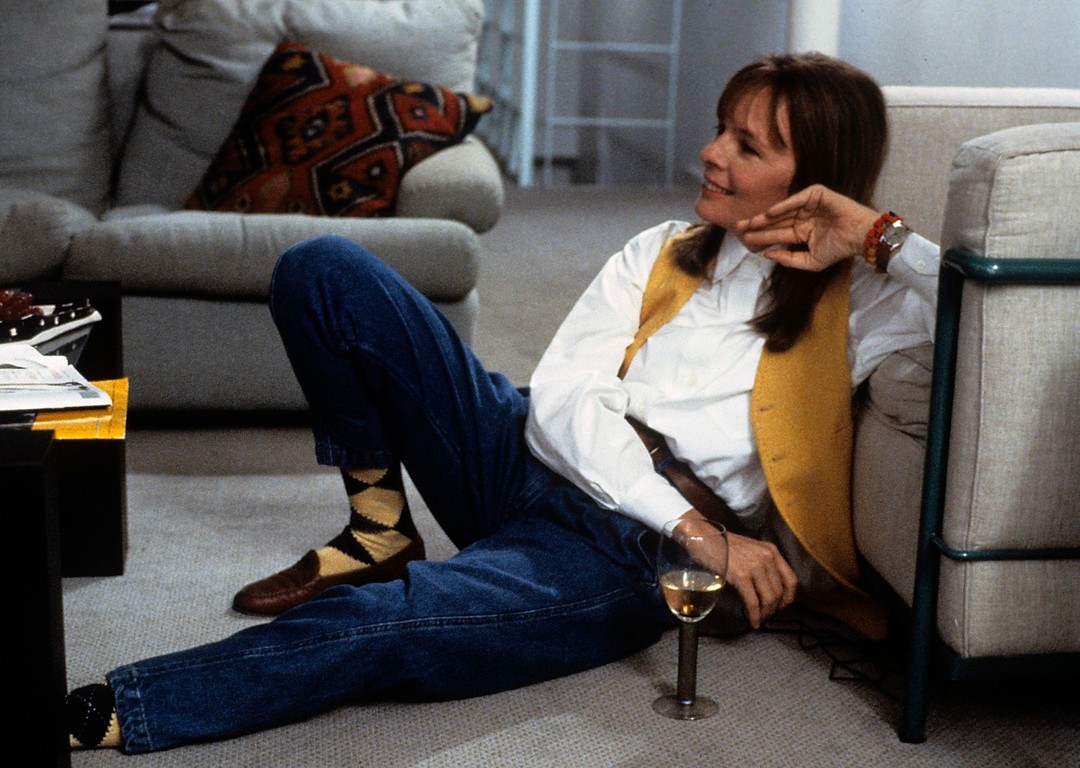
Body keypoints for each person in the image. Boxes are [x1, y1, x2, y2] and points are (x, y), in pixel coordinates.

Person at [65, 52, 939, 753]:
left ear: (813, 178)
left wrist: (876, 234)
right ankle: (377, 529)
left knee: (395, 623)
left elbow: (989, 322)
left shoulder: (864, 307)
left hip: (619, 553)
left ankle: (121, 706)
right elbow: (561, 400)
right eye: (721, 129)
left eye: (748, 146)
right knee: (323, 270)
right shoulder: (665, 248)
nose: (711, 152)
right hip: (528, 454)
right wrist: (698, 529)